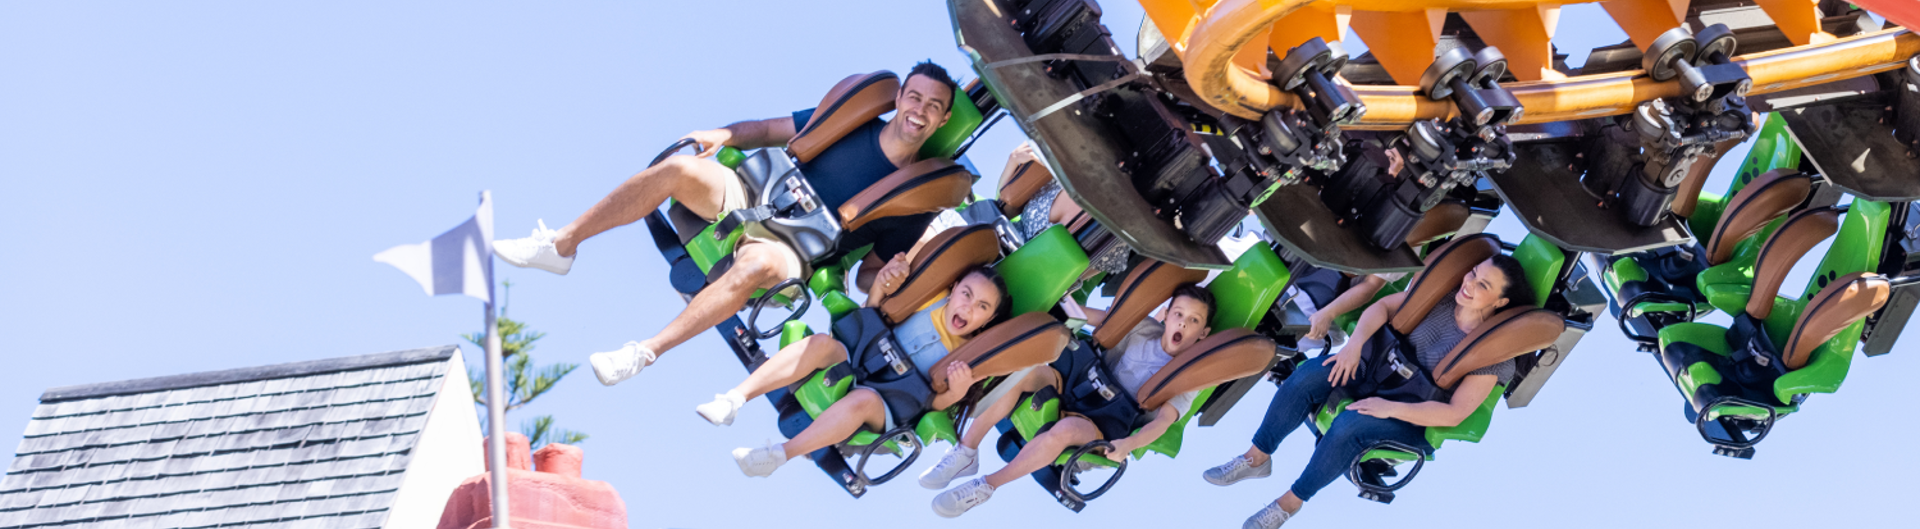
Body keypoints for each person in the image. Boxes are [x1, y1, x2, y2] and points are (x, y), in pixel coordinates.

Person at [489, 62, 960, 387]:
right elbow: (768, 129)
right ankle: (561, 245)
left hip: (796, 248)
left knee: (756, 264)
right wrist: (723, 133)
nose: (919, 110)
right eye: (914, 97)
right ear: (899, 97)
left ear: (942, 120)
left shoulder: (916, 197)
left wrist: (889, 277)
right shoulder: (850, 120)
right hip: (758, 194)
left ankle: (645, 352)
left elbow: (867, 276)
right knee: (680, 169)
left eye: (933, 106)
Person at [1201, 255, 1534, 529]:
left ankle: (1288, 504)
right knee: (1308, 376)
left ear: (1501, 302)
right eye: (1473, 273)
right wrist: (1354, 345)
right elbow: (1383, 308)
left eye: (1483, 285)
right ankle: (1256, 458)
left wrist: (1390, 408)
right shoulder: (1441, 296)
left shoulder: (1493, 354)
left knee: (1350, 424)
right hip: (1375, 368)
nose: (1469, 284)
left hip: (1411, 412)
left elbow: (1455, 413)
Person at [925, 284, 1216, 518]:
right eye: (1179, 313)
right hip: (1081, 382)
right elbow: (1092, 317)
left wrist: (1129, 445)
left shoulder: (1186, 378)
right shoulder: (1143, 327)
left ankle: (986, 486)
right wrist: (1060, 302)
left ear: (1203, 334)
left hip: (1106, 421)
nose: (1183, 322)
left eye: (1193, 320)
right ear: (1166, 314)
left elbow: (1163, 423)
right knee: (1025, 371)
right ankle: (966, 451)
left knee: (1066, 430)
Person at [717, 256, 1013, 477]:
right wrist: (882, 285)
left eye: (982, 307)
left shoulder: (968, 356)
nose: (968, 307)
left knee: (864, 399)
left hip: (890, 401)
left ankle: (779, 455)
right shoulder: (928, 297)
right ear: (954, 288)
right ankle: (734, 399)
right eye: (966, 294)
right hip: (861, 354)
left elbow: (932, 403)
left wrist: (957, 392)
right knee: (821, 343)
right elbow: (872, 317)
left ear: (987, 321)